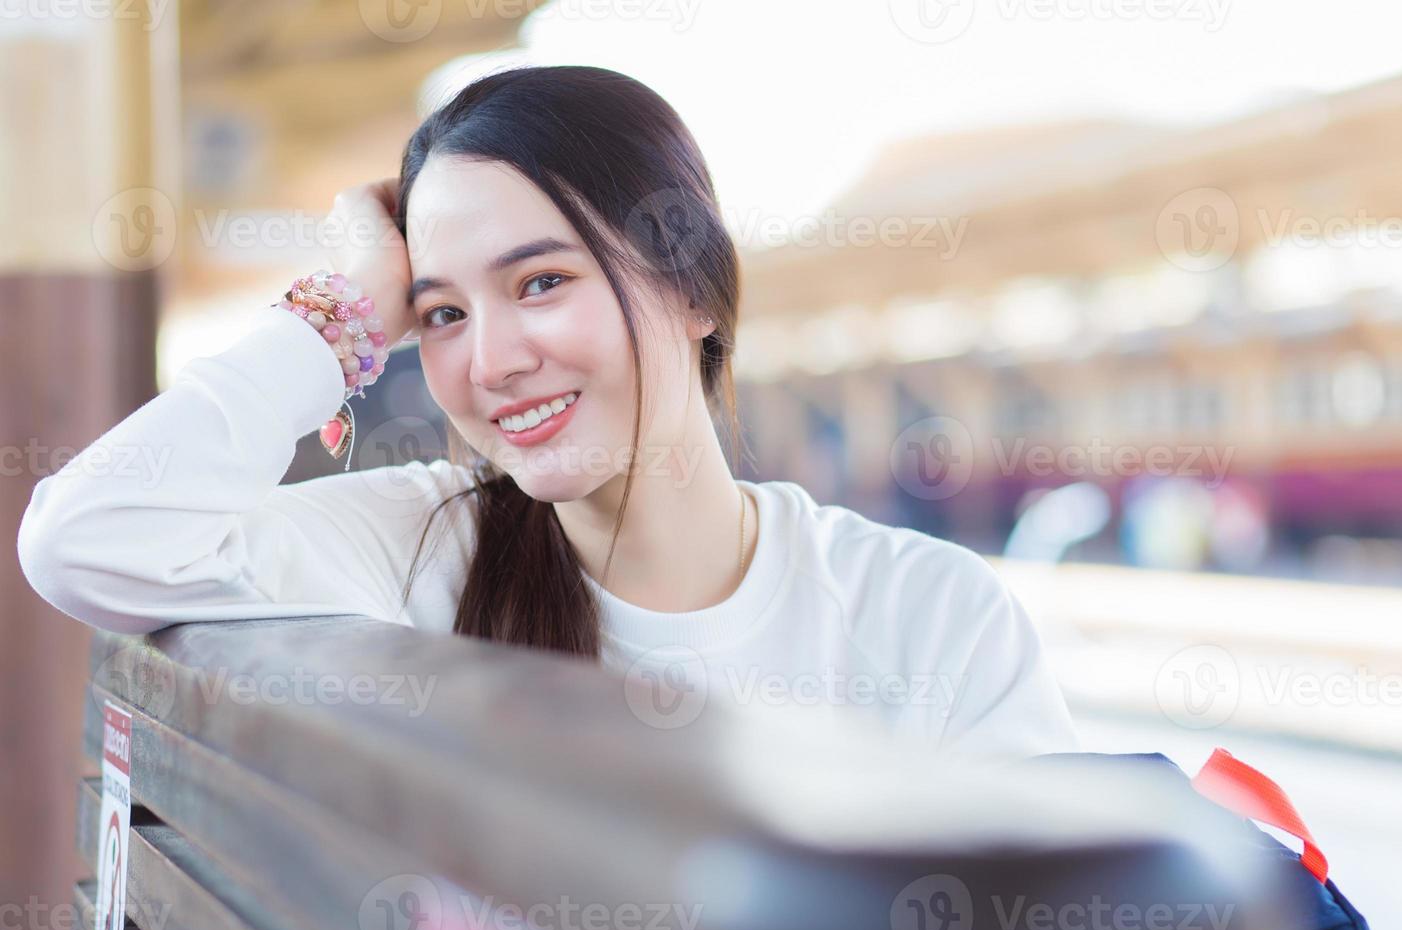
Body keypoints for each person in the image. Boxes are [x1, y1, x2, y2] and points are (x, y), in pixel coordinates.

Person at [17, 65, 1076, 762]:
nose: (491, 361)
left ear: (694, 288)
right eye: (437, 311)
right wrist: (340, 308)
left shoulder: (929, 618)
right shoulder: (418, 550)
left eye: (540, 283)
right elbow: (85, 537)